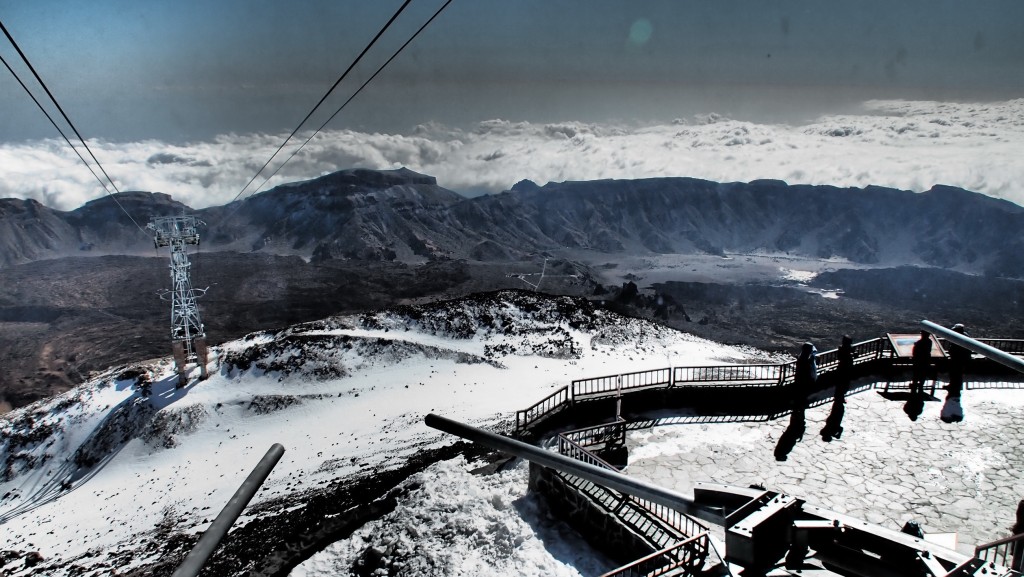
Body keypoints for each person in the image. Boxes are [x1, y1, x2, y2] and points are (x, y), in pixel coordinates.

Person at [947, 323, 970, 399]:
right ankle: (953, 386)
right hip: (957, 358)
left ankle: (956, 389)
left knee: (957, 374)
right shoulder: (965, 336)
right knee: (955, 374)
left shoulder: (961, 337)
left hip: (958, 358)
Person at [794, 342, 818, 406]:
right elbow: (807, 368)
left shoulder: (801, 357)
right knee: (803, 393)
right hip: (804, 380)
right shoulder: (805, 360)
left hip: (800, 379)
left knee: (801, 393)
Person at [911, 330, 932, 397]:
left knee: (916, 374)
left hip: (918, 360)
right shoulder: (929, 341)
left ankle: (914, 386)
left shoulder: (920, 342)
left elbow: (915, 351)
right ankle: (920, 386)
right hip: (926, 360)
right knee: (923, 374)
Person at [836, 335, 854, 401]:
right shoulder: (849, 348)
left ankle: (840, 396)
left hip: (843, 367)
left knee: (841, 383)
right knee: (844, 383)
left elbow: (839, 357)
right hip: (846, 367)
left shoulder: (841, 348)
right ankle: (840, 396)